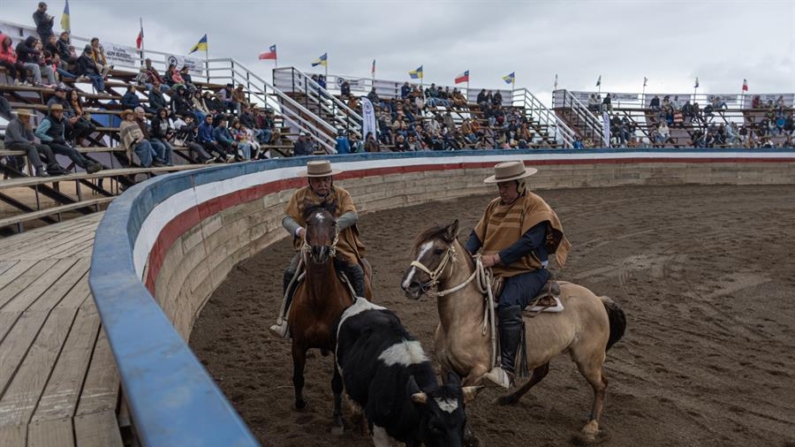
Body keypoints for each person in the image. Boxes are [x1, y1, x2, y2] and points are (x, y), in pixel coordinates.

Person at [464, 161, 570, 389]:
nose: (501, 191)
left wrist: (495, 258)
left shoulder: (536, 206)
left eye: (506, 186)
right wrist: (465, 255)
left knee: (509, 302)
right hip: (496, 269)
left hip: (528, 270)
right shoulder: (494, 206)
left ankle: (507, 369)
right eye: (499, 186)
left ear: (520, 184)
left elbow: (529, 242)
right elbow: (476, 235)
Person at [269, 160, 367, 338]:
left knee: (356, 270)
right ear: (309, 181)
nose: (322, 184)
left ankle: (363, 315)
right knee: (290, 272)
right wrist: (299, 230)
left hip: (338, 245)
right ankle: (286, 318)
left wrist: (330, 226)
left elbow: (352, 214)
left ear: (331, 179)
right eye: (317, 180)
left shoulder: (341, 195)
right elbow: (287, 219)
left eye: (326, 180)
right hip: (309, 245)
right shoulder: (299, 196)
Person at [35, 104, 103, 174]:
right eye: (57, 111)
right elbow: (38, 132)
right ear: (52, 112)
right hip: (50, 144)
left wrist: (63, 140)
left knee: (74, 151)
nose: (59, 113)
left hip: (59, 142)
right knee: (70, 151)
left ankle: (89, 164)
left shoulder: (61, 120)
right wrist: (51, 139)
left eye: (61, 111)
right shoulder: (47, 121)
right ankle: (86, 167)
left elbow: (61, 133)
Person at [4, 109, 67, 177]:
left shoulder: (25, 124)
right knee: (31, 147)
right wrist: (28, 142)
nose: (28, 119)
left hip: (23, 143)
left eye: (28, 117)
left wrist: (29, 130)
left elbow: (31, 139)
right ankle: (39, 169)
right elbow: (17, 138)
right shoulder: (14, 123)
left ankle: (54, 166)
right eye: (25, 117)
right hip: (12, 144)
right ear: (20, 116)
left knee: (45, 147)